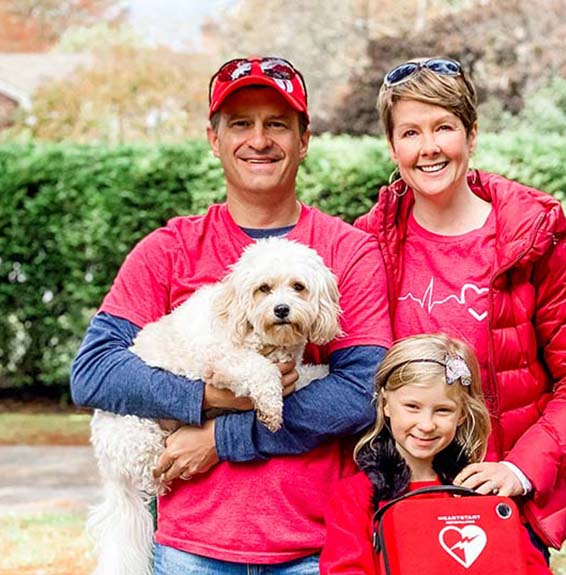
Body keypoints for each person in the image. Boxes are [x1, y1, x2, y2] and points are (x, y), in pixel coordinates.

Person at [70, 56, 392, 574]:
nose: (259, 140)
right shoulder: (168, 248)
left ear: (304, 140)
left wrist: (222, 439)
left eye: (277, 124)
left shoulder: (346, 251)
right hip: (189, 551)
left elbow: (358, 393)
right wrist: (212, 398)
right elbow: (94, 372)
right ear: (214, 139)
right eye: (241, 123)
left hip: (313, 547)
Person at [354, 58, 566, 566]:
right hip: (394, 507)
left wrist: (521, 469)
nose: (428, 147)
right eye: (410, 132)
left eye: (443, 128)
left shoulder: (529, 241)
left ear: (471, 135)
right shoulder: (368, 244)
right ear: (392, 147)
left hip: (502, 511)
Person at [319, 334, 550, 575]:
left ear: (462, 413)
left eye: (443, 410)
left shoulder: (479, 489)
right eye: (412, 407)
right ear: (386, 403)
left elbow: (528, 565)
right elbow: (345, 569)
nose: (426, 424)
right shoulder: (357, 496)